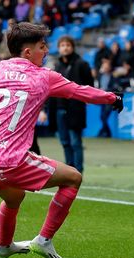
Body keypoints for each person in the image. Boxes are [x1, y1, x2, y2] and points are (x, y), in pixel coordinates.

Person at [0, 22, 123, 258]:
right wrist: (111, 97)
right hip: (11, 161)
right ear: (28, 52)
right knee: (73, 177)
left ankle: (4, 246)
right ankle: (43, 239)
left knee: (14, 198)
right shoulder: (44, 76)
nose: (47, 51)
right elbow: (79, 91)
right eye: (42, 46)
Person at [54, 35, 93, 173]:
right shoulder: (57, 66)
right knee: (64, 142)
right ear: (59, 48)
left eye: (68, 45)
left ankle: (78, 172)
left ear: (72, 47)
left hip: (75, 109)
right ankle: (69, 171)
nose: (65, 48)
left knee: (76, 143)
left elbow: (90, 85)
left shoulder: (82, 64)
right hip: (60, 109)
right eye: (62, 45)